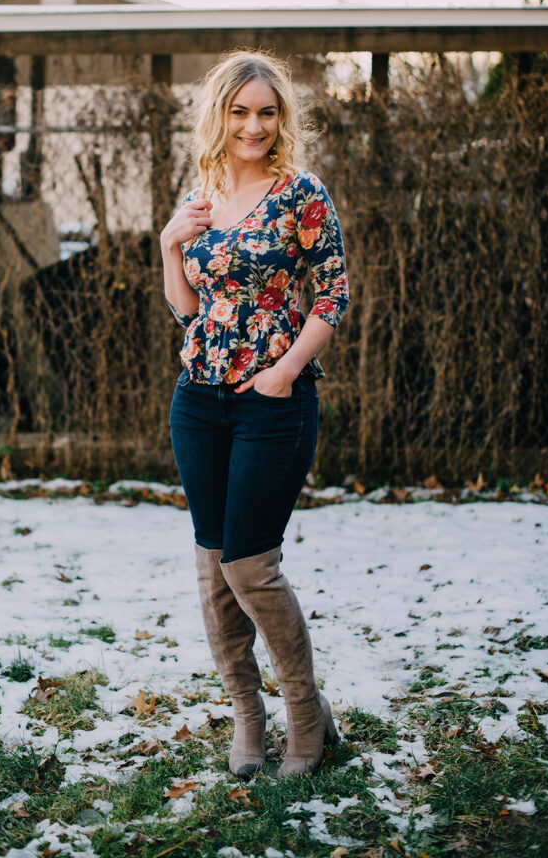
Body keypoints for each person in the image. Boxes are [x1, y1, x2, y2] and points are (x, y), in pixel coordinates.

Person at [160, 50, 349, 779]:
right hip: (199, 401)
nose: (253, 125)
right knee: (214, 563)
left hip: (273, 403)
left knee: (251, 564)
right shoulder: (200, 194)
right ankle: (248, 716)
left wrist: (286, 370)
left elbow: (332, 296)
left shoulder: (302, 195)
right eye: (239, 111)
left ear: (281, 118)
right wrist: (169, 244)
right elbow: (186, 310)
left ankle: (307, 715)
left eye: (266, 112)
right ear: (219, 115)